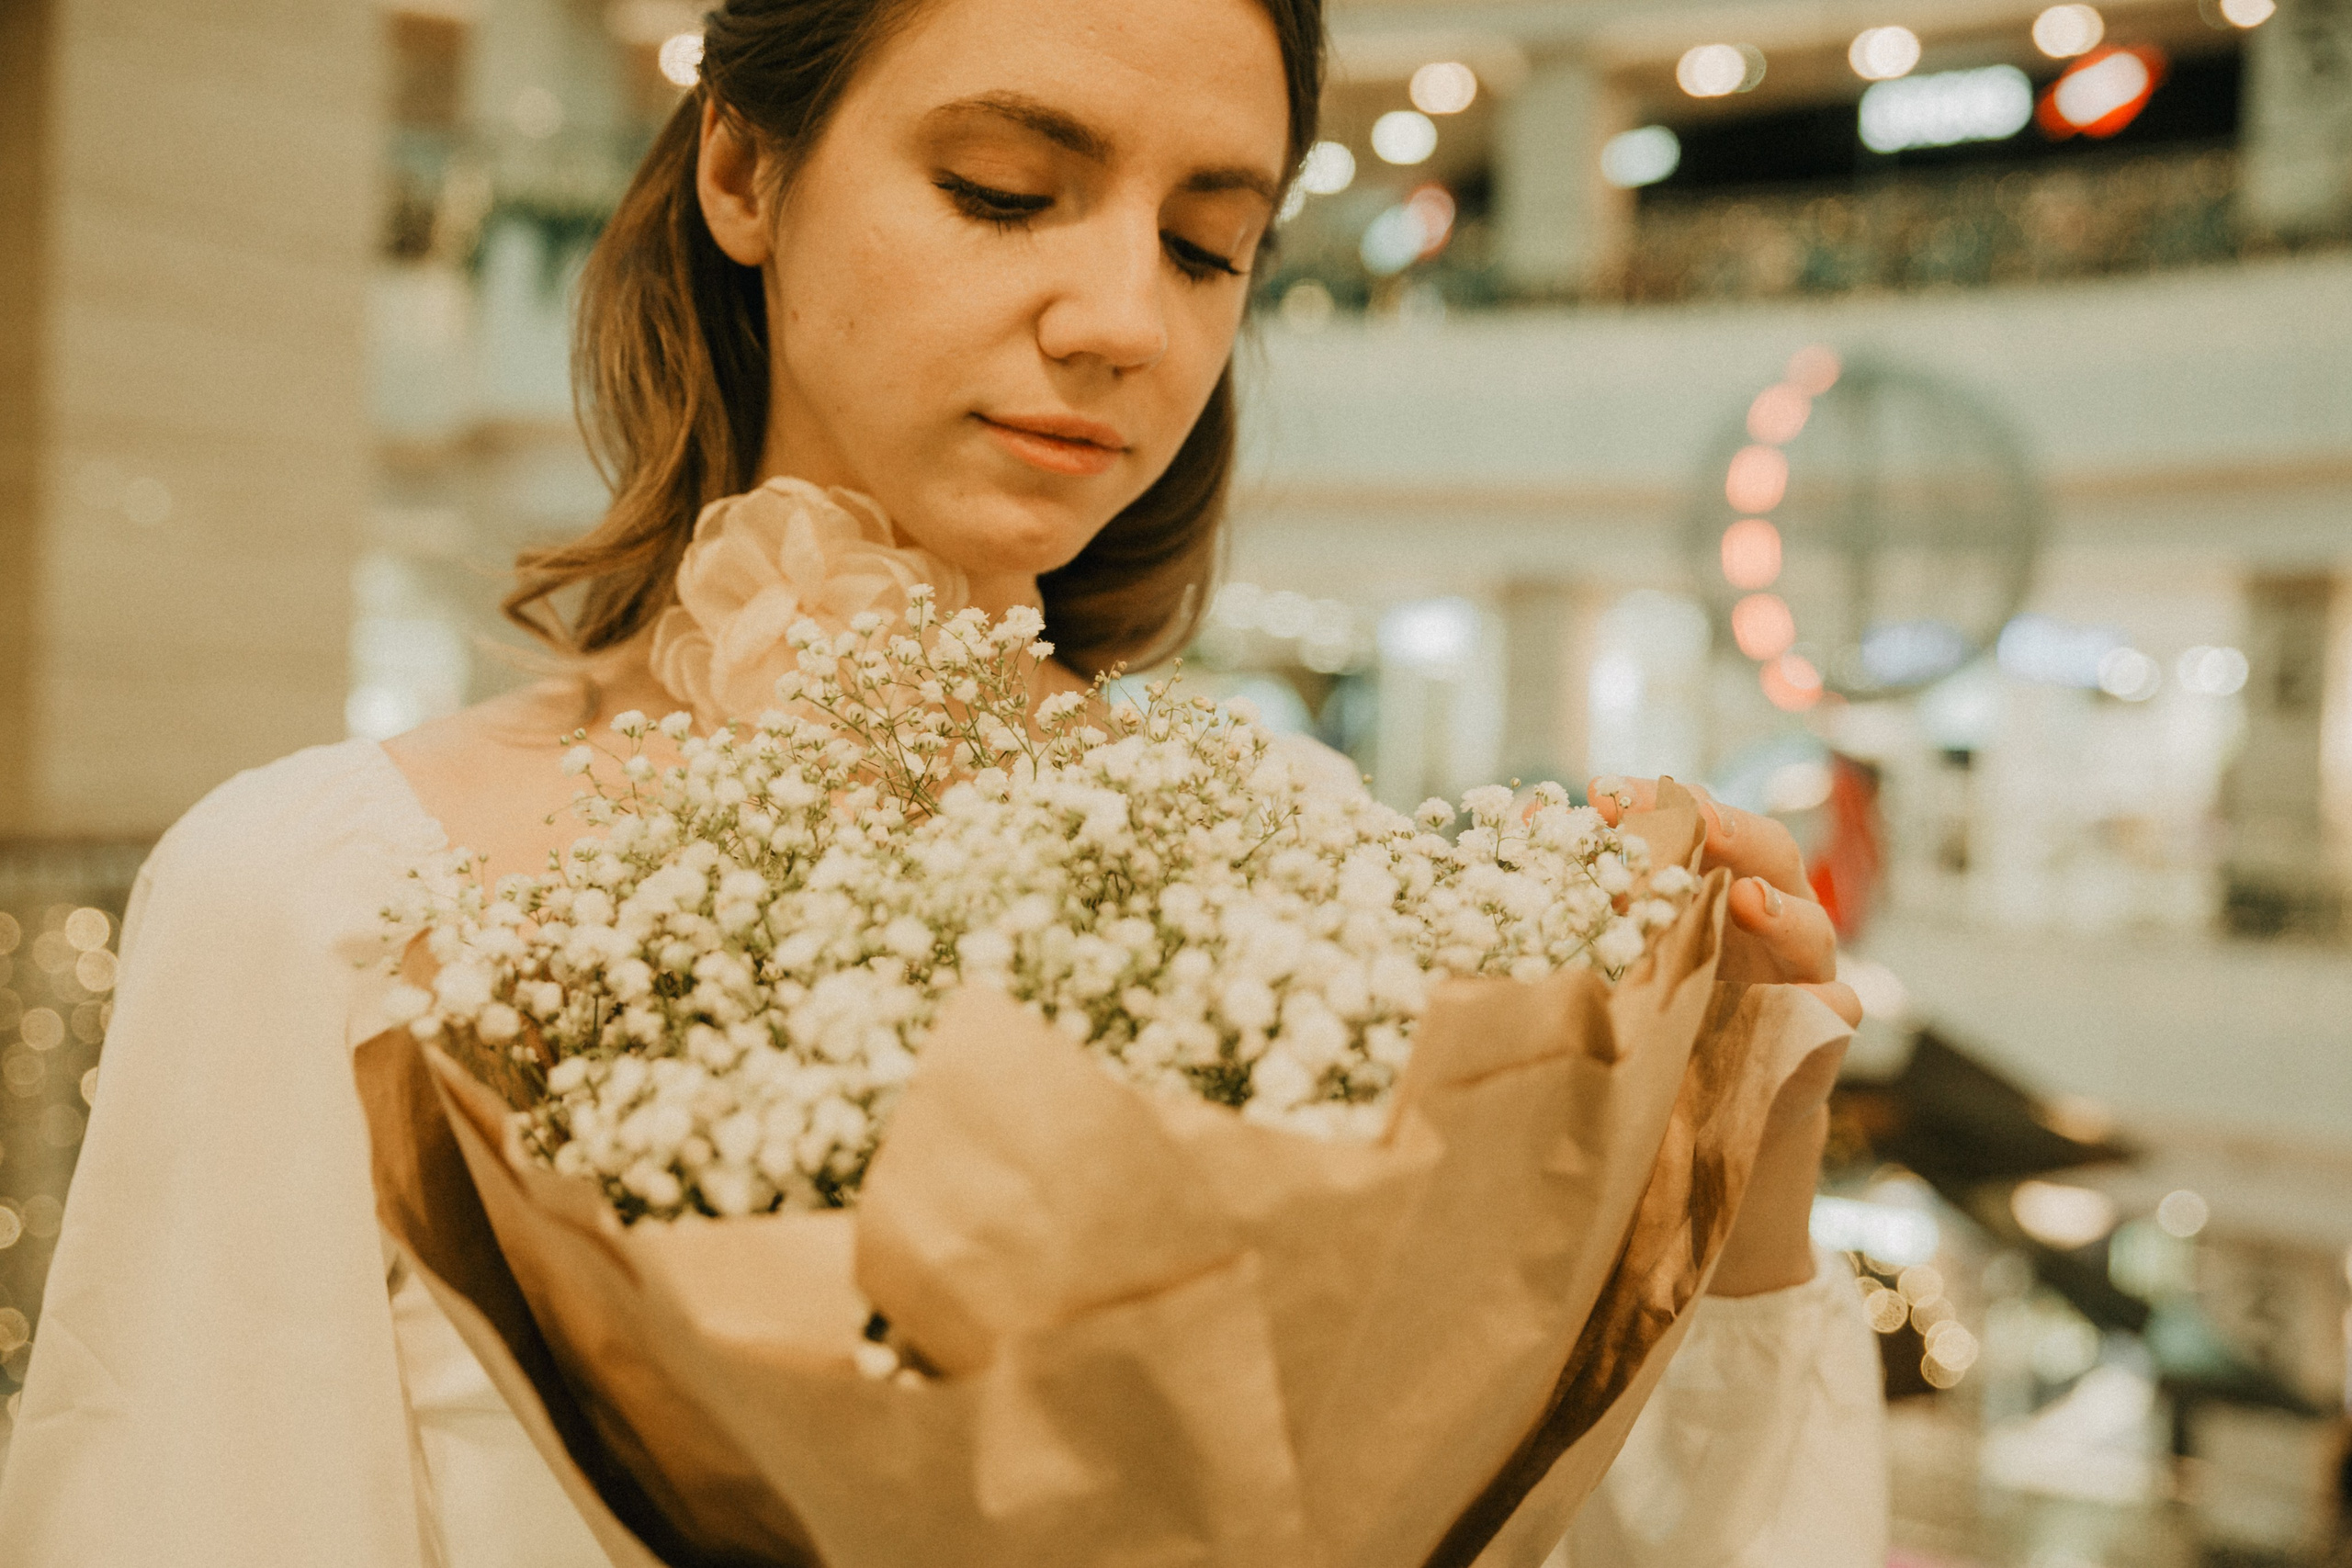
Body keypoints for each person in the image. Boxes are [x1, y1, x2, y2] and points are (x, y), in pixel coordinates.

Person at [0, 0, 1883, 1562]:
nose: (1123, 322)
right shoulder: (324, 897)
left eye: (1205, 241)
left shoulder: (1310, 868)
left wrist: (1741, 1167)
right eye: (1003, 191)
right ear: (743, 167)